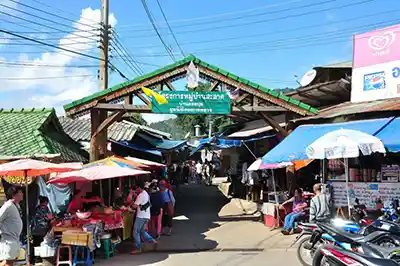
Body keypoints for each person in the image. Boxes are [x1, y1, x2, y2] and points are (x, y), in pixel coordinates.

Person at [130, 183, 157, 255]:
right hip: (147, 216)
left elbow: (135, 206)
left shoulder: (141, 195)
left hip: (141, 216)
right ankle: (153, 241)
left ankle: (138, 248)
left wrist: (130, 200)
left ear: (139, 188)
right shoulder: (145, 193)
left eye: (136, 188)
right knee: (142, 231)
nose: (135, 190)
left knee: (135, 232)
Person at [0, 187, 24, 266]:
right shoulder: (7, 206)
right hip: (8, 239)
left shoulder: (17, 205)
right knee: (9, 261)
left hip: (15, 238)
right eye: (20, 192)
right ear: (14, 195)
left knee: (11, 260)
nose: (22, 194)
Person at [31, 196, 53, 263]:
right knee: (41, 244)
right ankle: (39, 259)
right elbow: (49, 217)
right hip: (42, 230)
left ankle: (34, 259)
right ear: (46, 202)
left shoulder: (36, 208)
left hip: (34, 230)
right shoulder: (45, 208)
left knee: (36, 244)